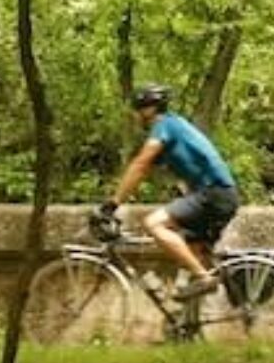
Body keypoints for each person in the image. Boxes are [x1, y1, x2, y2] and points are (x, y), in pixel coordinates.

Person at [98, 83, 239, 299]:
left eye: (138, 110)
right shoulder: (176, 125)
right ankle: (185, 325)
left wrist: (114, 203)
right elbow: (148, 172)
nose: (136, 117)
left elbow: (140, 165)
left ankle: (205, 278)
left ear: (149, 110)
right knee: (188, 258)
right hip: (218, 195)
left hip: (213, 194)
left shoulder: (164, 126)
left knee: (153, 223)